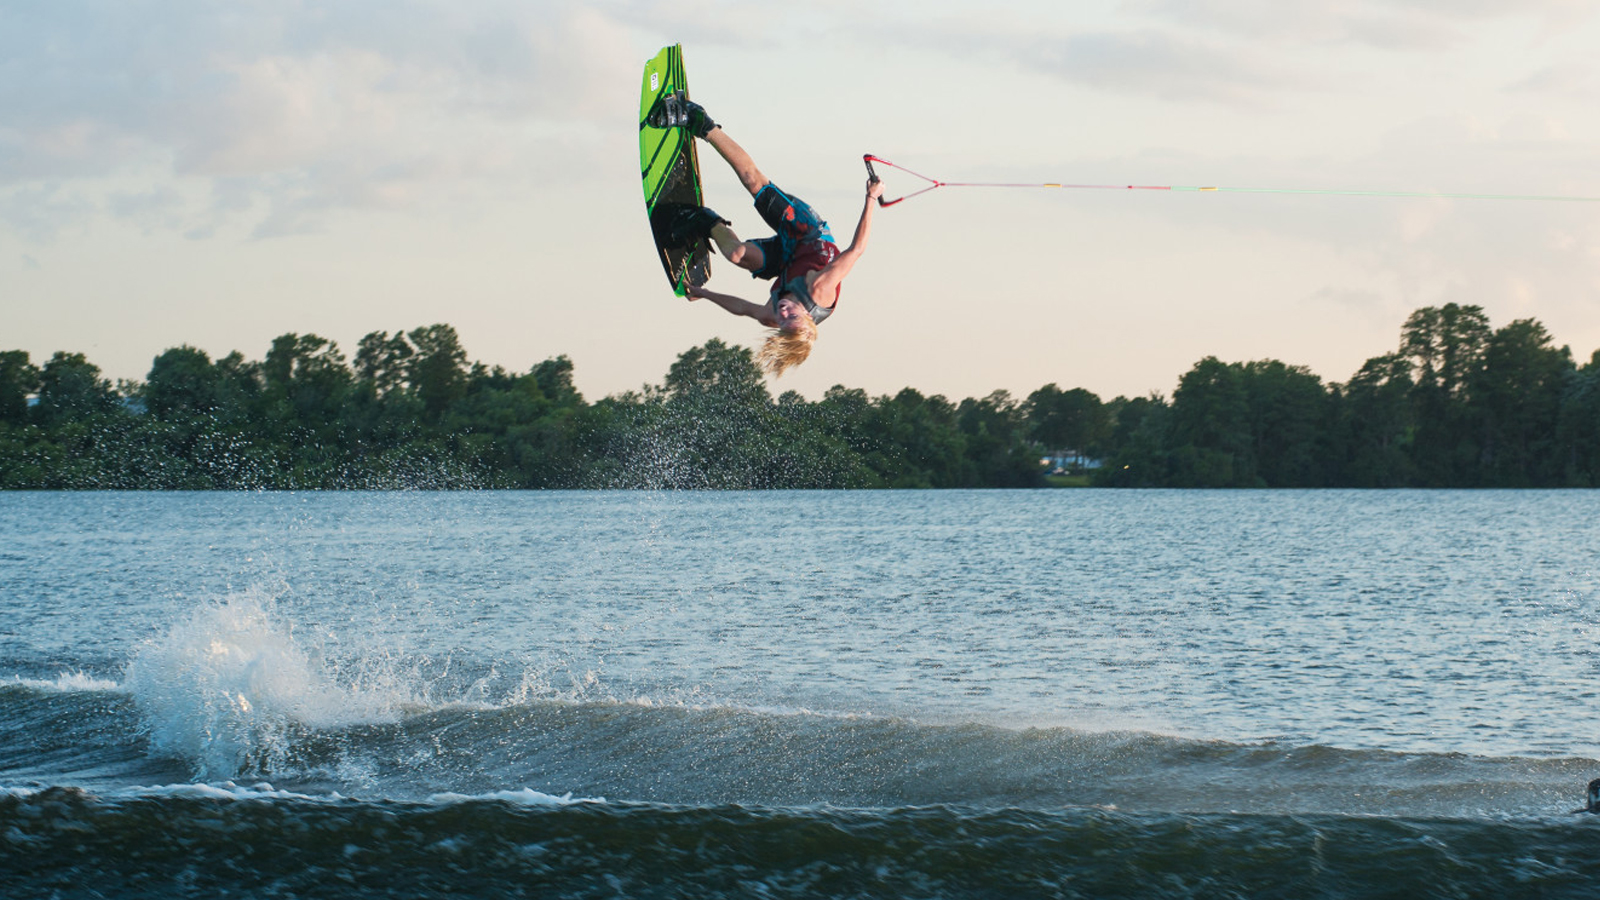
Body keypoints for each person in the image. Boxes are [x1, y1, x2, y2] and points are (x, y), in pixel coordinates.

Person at [648, 93, 884, 376]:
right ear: (808, 317)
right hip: (808, 234)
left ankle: (704, 220)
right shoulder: (821, 288)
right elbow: (856, 250)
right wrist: (871, 197)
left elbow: (743, 308)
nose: (783, 313)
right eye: (791, 316)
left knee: (736, 254)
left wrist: (705, 293)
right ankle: (700, 120)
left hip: (786, 260)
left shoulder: (774, 316)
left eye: (783, 321)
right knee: (753, 181)